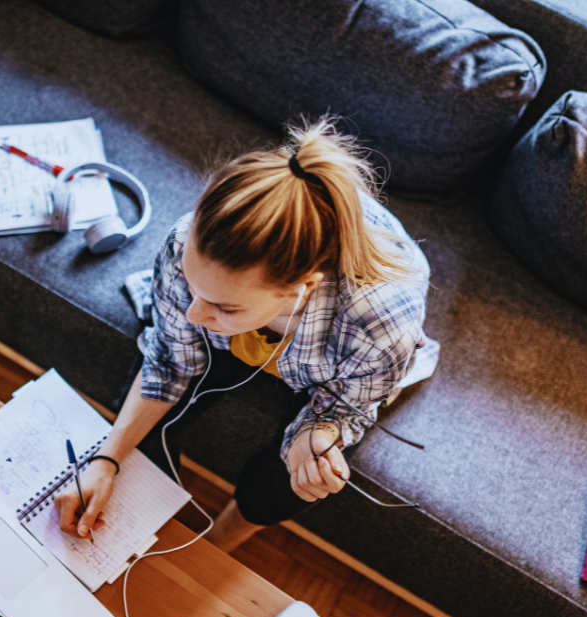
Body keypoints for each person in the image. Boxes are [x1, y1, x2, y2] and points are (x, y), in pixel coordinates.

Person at [53, 118, 436, 552]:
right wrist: (106, 459)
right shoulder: (186, 243)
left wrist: (315, 438)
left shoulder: (381, 323)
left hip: (339, 352)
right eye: (195, 290)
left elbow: (344, 409)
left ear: (300, 288)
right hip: (269, 326)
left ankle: (221, 541)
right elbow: (167, 361)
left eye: (223, 306)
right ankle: (148, 518)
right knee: (154, 416)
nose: (195, 315)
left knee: (283, 484)